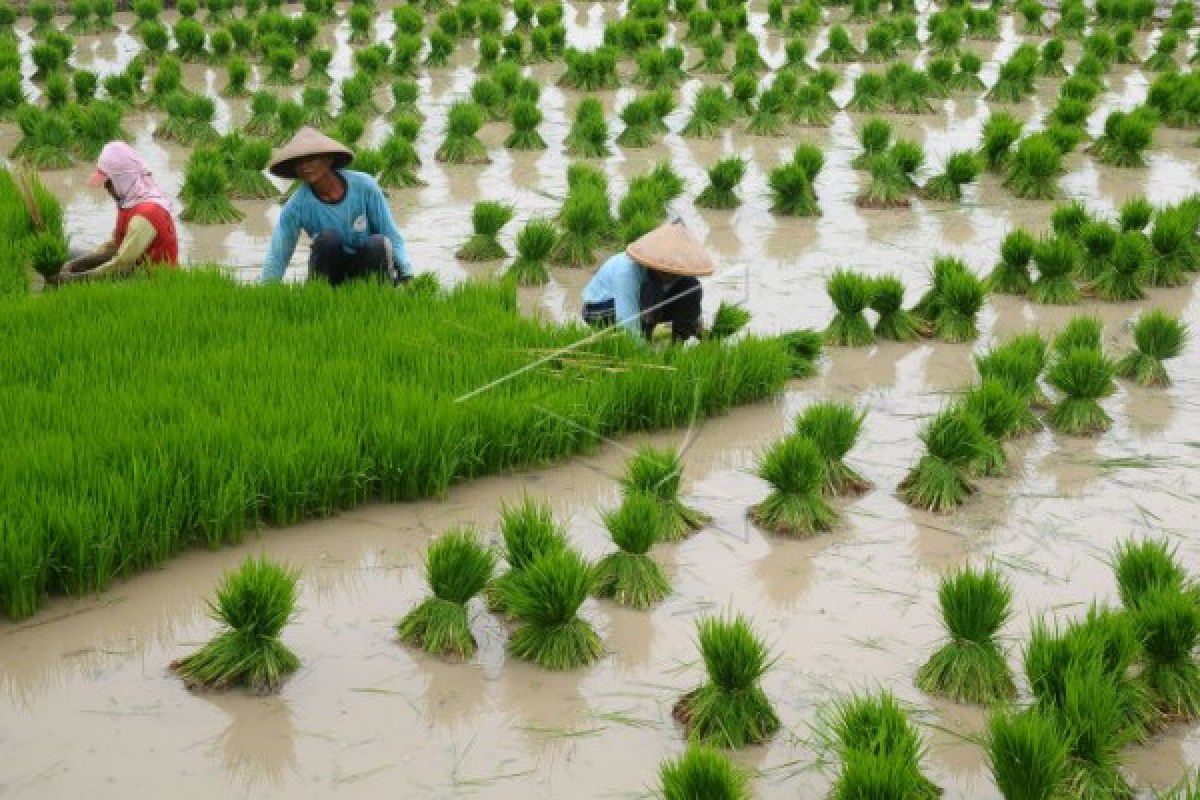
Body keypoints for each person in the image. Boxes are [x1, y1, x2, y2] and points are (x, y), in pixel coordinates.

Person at [260, 127, 414, 285]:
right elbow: (279, 253)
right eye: (298, 163)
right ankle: (322, 294)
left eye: (311, 159)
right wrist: (266, 291)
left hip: (367, 265)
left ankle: (379, 292)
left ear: (328, 159)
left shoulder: (364, 186)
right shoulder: (297, 205)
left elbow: (390, 233)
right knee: (327, 240)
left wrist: (407, 274)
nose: (304, 166)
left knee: (378, 242)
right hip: (331, 271)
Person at [53, 141, 179, 282]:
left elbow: (122, 263)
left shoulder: (147, 213)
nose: (105, 188)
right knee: (71, 254)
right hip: (134, 270)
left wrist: (76, 279)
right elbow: (113, 246)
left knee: (83, 274)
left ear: (122, 180)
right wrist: (74, 265)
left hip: (151, 282)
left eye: (108, 182)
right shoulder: (131, 202)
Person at [581, 221, 713, 341]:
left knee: (691, 286)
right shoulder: (626, 272)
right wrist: (644, 358)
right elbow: (627, 321)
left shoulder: (673, 271)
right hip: (600, 309)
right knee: (650, 294)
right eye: (666, 272)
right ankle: (644, 337)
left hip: (643, 302)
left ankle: (676, 346)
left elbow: (687, 299)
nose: (672, 275)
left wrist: (693, 323)